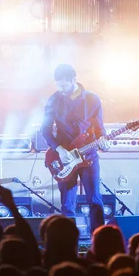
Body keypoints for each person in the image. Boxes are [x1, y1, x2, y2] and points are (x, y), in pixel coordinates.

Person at [41, 64, 110, 235]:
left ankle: (99, 240)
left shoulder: (93, 99)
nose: (60, 89)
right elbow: (46, 130)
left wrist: (103, 140)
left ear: (74, 80)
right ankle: (68, 241)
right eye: (58, 85)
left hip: (89, 156)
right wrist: (59, 149)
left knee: (95, 200)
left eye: (64, 85)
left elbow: (99, 128)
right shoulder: (53, 100)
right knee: (67, 204)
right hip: (64, 158)